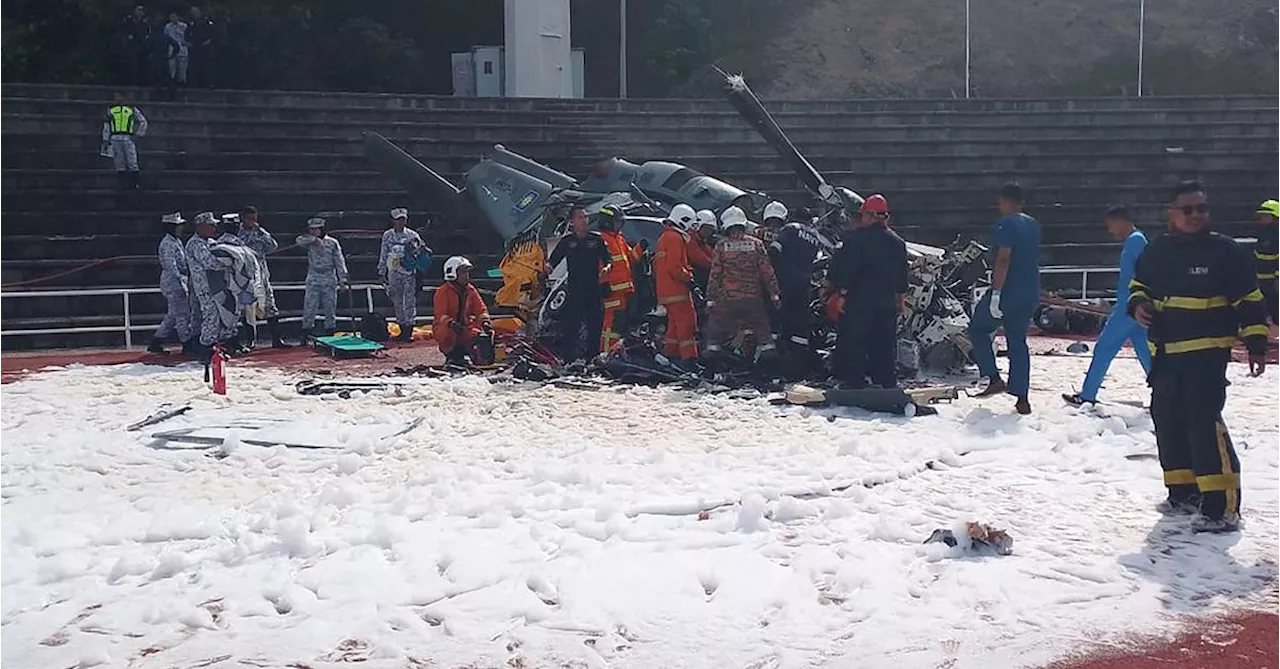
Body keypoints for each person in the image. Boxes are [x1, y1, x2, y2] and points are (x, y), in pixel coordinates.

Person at [1127, 181, 1269, 533]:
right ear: (1171, 213)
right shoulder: (1156, 251)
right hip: (1166, 354)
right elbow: (1138, 287)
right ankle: (1183, 492)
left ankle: (1222, 508)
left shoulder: (1225, 252)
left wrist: (1256, 343)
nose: (1195, 216)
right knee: (1168, 419)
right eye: (1187, 209)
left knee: (1203, 422)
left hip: (1207, 353)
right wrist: (1138, 305)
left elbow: (1250, 301)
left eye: (1201, 209)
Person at [1063, 206, 1152, 406]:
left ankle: (1087, 395)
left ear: (1121, 220)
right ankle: (1166, 393)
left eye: (1111, 225)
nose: (1111, 231)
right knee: (1145, 352)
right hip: (1132, 304)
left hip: (1128, 307)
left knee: (1104, 348)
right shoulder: (1136, 240)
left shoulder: (1135, 241)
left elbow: (1144, 273)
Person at [969, 183, 1042, 415]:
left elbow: (1003, 259)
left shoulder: (1006, 224)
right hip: (1029, 289)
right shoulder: (1033, 225)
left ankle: (992, 376)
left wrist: (996, 293)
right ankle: (1022, 397)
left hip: (1008, 289)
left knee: (978, 329)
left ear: (1005, 201)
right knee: (1017, 342)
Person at [831, 194, 908, 388]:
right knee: (883, 343)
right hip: (886, 301)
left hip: (860, 300)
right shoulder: (897, 242)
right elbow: (902, 275)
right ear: (885, 217)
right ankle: (886, 381)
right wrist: (900, 299)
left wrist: (842, 294)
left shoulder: (856, 239)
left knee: (855, 340)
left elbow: (850, 268)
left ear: (868, 215)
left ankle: (854, 381)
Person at [705, 206, 781, 364]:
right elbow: (767, 271)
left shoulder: (721, 246)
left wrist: (711, 299)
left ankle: (714, 364)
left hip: (727, 300)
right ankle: (769, 366)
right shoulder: (757, 244)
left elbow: (715, 274)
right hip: (753, 299)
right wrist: (774, 294)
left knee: (715, 332)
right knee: (762, 332)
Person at [546, 206, 612, 363]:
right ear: (573, 221)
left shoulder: (596, 239)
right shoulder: (567, 241)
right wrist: (548, 267)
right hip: (574, 288)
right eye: (580, 217)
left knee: (594, 324)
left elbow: (608, 259)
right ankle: (568, 359)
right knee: (572, 324)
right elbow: (553, 260)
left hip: (593, 288)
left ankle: (592, 358)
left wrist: (607, 267)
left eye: (586, 217)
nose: (584, 220)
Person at [773, 201, 823, 358]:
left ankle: (774, 353)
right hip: (805, 283)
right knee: (799, 320)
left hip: (785, 279)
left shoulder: (790, 228)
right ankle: (798, 358)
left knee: (778, 315)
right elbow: (816, 261)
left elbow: (775, 249)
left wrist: (773, 270)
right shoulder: (816, 237)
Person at [235, 206, 288, 348]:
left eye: (255, 219)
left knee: (270, 306)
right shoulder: (237, 233)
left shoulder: (259, 232)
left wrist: (261, 232)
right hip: (247, 277)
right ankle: (250, 340)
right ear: (243, 218)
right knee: (248, 308)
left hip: (262, 276)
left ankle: (277, 339)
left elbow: (273, 246)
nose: (253, 222)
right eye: (250, 219)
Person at [185, 212, 235, 360]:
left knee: (218, 315)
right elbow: (210, 262)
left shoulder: (209, 242)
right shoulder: (195, 244)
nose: (215, 228)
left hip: (215, 285)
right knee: (211, 315)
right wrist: (228, 262)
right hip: (204, 286)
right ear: (202, 227)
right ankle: (206, 346)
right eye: (211, 225)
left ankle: (215, 344)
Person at [654, 204, 699, 364]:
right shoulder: (675, 238)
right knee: (687, 324)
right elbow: (675, 267)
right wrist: (689, 278)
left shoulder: (663, 238)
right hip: (677, 291)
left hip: (666, 292)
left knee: (674, 326)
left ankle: (668, 355)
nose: (691, 230)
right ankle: (689, 359)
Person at [597, 205, 645, 354]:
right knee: (610, 326)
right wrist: (603, 284)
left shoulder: (619, 239)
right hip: (611, 290)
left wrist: (641, 248)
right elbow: (599, 265)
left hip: (623, 292)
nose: (619, 225)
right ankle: (604, 354)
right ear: (608, 222)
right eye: (617, 222)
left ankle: (614, 352)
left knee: (619, 325)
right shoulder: (602, 240)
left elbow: (632, 258)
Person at [379, 208, 428, 342]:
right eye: (398, 220)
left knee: (410, 300)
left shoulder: (413, 235)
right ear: (393, 221)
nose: (401, 222)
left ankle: (409, 328)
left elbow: (422, 251)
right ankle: (402, 327)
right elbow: (383, 253)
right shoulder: (387, 235)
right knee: (397, 300)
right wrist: (381, 271)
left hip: (409, 272)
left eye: (403, 219)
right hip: (394, 271)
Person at [434, 256, 493, 365]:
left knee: (481, 337)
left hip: (465, 328)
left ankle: (477, 357)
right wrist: (451, 324)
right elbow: (440, 315)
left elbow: (481, 310)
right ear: (452, 273)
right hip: (449, 329)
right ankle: (452, 354)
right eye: (462, 273)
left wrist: (485, 322)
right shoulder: (442, 292)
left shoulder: (471, 290)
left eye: (467, 273)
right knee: (445, 332)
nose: (466, 276)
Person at [296, 217, 349, 339]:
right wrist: (313, 240)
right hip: (313, 276)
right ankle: (306, 332)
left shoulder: (332, 243)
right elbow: (298, 241)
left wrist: (343, 280)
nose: (313, 231)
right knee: (310, 307)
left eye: (316, 229)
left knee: (330, 307)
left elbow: (339, 262)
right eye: (311, 229)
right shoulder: (309, 242)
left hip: (329, 276)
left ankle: (330, 330)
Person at [149, 212, 191, 354]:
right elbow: (171, 266)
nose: (181, 228)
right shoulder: (167, 244)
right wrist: (181, 283)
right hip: (173, 283)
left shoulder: (176, 241)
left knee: (173, 315)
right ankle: (187, 342)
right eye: (178, 226)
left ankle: (157, 341)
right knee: (182, 314)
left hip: (178, 280)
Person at [102, 92, 148, 191]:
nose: (117, 99)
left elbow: (143, 121)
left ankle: (136, 184)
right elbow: (106, 126)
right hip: (115, 137)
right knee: (119, 162)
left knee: (132, 161)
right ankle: (123, 185)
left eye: (118, 96)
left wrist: (138, 134)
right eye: (115, 97)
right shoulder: (111, 110)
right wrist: (106, 140)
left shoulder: (132, 109)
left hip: (128, 137)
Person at [1254, 200, 1280, 324]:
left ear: (1275, 217)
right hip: (1261, 277)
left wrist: (1277, 277)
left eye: (1265, 216)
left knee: (1276, 306)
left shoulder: (1277, 234)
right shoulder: (1262, 233)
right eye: (1261, 216)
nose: (1262, 218)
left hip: (1273, 278)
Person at [121, 5, 151, 86]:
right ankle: (132, 84)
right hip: (132, 47)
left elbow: (147, 34)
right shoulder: (130, 21)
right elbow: (125, 32)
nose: (140, 12)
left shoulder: (145, 23)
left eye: (141, 11)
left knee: (142, 66)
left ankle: (141, 83)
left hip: (142, 47)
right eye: (138, 10)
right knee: (132, 66)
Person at [187, 6, 215, 88]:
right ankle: (193, 84)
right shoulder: (191, 23)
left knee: (206, 66)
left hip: (204, 47)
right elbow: (187, 34)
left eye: (195, 12)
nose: (194, 14)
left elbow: (212, 33)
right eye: (193, 12)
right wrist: (188, 42)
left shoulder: (206, 22)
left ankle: (209, 84)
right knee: (193, 67)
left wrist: (208, 41)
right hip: (194, 47)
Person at [688, 209, 717, 287]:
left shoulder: (701, 240)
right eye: (708, 229)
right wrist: (716, 266)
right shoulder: (691, 238)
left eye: (712, 230)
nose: (710, 232)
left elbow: (711, 255)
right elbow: (698, 258)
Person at [164, 12, 189, 86]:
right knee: (172, 67)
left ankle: (183, 82)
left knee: (182, 68)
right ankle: (172, 82)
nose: (173, 18)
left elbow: (187, 35)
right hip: (171, 50)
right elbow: (165, 37)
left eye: (175, 17)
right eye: (172, 17)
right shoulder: (167, 26)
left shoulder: (184, 26)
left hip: (182, 49)